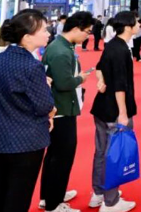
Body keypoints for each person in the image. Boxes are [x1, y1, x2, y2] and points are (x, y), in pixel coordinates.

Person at [0, 9, 56, 212]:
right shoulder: (32, 66)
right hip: (26, 141)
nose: (48, 33)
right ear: (27, 37)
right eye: (44, 29)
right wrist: (46, 88)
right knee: (18, 197)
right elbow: (44, 106)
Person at [39, 11, 95, 212]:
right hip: (62, 109)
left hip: (59, 108)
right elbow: (63, 83)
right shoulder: (61, 51)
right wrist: (81, 78)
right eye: (87, 31)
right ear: (77, 28)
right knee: (61, 157)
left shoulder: (61, 47)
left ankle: (49, 196)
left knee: (54, 155)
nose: (87, 36)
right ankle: (54, 203)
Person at [89, 11, 139, 212]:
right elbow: (120, 85)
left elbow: (99, 68)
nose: (139, 25)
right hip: (113, 111)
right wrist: (123, 114)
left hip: (102, 107)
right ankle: (110, 202)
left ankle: (98, 193)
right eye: (137, 23)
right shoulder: (121, 50)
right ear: (128, 26)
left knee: (101, 152)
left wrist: (101, 80)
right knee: (114, 155)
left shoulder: (111, 45)